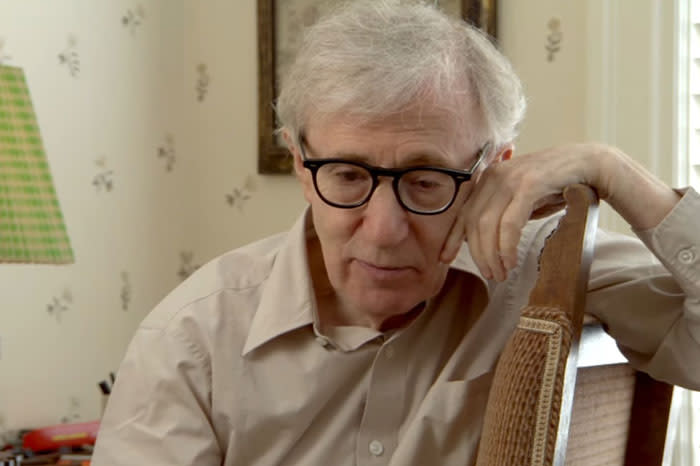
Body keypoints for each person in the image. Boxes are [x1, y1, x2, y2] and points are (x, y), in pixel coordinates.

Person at [92, 1, 700, 464]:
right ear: (300, 164)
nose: (384, 231)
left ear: (493, 171)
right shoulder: (192, 341)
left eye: (427, 181)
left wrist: (613, 172)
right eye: (348, 175)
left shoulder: (549, 274)